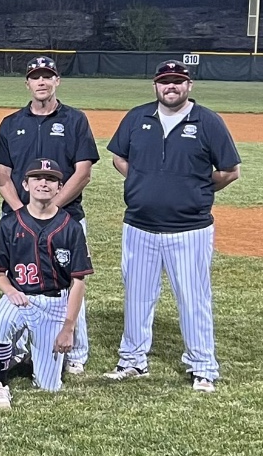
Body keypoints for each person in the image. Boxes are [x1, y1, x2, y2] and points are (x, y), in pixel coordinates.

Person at [103, 60, 240, 393]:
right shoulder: (138, 117)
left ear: (189, 86)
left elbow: (229, 170)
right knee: (137, 296)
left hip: (189, 229)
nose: (171, 87)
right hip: (139, 226)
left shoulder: (207, 121)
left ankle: (203, 366)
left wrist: (196, 190)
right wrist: (142, 180)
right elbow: (118, 157)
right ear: (155, 85)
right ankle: (133, 360)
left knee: (193, 299)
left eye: (178, 81)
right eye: (165, 81)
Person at [0, 56, 98, 374]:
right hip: (18, 219)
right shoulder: (11, 123)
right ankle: (20, 347)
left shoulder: (75, 120)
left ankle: (76, 352)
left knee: (70, 281)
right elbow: (2, 176)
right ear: (27, 83)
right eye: (35, 77)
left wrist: (51, 209)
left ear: (57, 81)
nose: (41, 82)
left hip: (67, 216)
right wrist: (23, 212)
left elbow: (82, 173)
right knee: (20, 279)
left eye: (47, 76)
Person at [0, 158, 92, 409]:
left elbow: (78, 282)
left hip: (55, 303)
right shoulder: (9, 223)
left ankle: (37, 356)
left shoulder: (71, 227)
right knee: (1, 321)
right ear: (25, 184)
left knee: (49, 386)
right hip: (20, 298)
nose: (43, 183)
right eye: (37, 178)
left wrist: (68, 327)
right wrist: (9, 290)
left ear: (59, 187)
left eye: (51, 179)